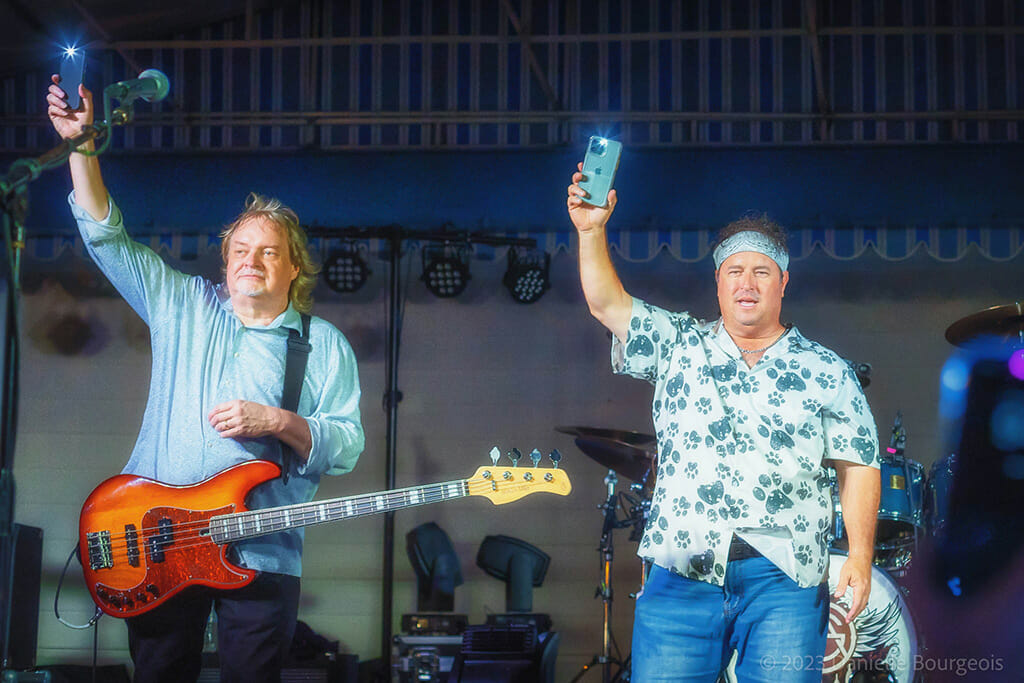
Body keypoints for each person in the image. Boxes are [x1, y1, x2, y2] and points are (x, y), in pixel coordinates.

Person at [47, 76, 365, 682]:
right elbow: (107, 238)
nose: (251, 260)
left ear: (294, 265)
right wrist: (81, 146)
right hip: (157, 541)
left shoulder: (322, 345)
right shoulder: (184, 305)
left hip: (264, 550)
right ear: (225, 260)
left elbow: (348, 445)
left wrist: (278, 421)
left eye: (268, 251)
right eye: (240, 249)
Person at [567, 164, 881, 682]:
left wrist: (862, 556)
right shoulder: (679, 345)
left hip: (784, 577)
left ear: (783, 281)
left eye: (762, 272)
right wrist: (591, 230)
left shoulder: (827, 369)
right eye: (735, 271)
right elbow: (607, 303)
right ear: (717, 283)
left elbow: (859, 464)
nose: (747, 283)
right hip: (681, 573)